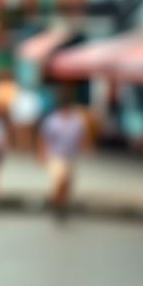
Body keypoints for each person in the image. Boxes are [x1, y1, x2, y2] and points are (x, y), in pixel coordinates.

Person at [39, 89, 87, 219]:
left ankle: (61, 204)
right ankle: (57, 207)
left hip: (70, 156)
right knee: (60, 180)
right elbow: (45, 138)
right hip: (56, 155)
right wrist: (43, 154)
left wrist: (84, 148)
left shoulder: (77, 120)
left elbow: (81, 137)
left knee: (68, 184)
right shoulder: (52, 121)